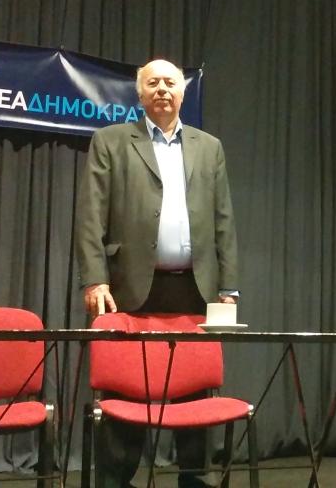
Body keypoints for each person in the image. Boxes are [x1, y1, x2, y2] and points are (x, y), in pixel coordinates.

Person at [75, 59, 239, 488]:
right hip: (128, 286)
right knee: (126, 387)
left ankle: (193, 479)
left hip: (194, 286)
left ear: (183, 92)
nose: (162, 89)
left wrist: (229, 287)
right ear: (140, 93)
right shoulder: (111, 141)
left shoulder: (209, 147)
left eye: (170, 82)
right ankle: (115, 481)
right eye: (153, 83)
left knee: (193, 389)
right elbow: (91, 216)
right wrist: (95, 278)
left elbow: (223, 219)